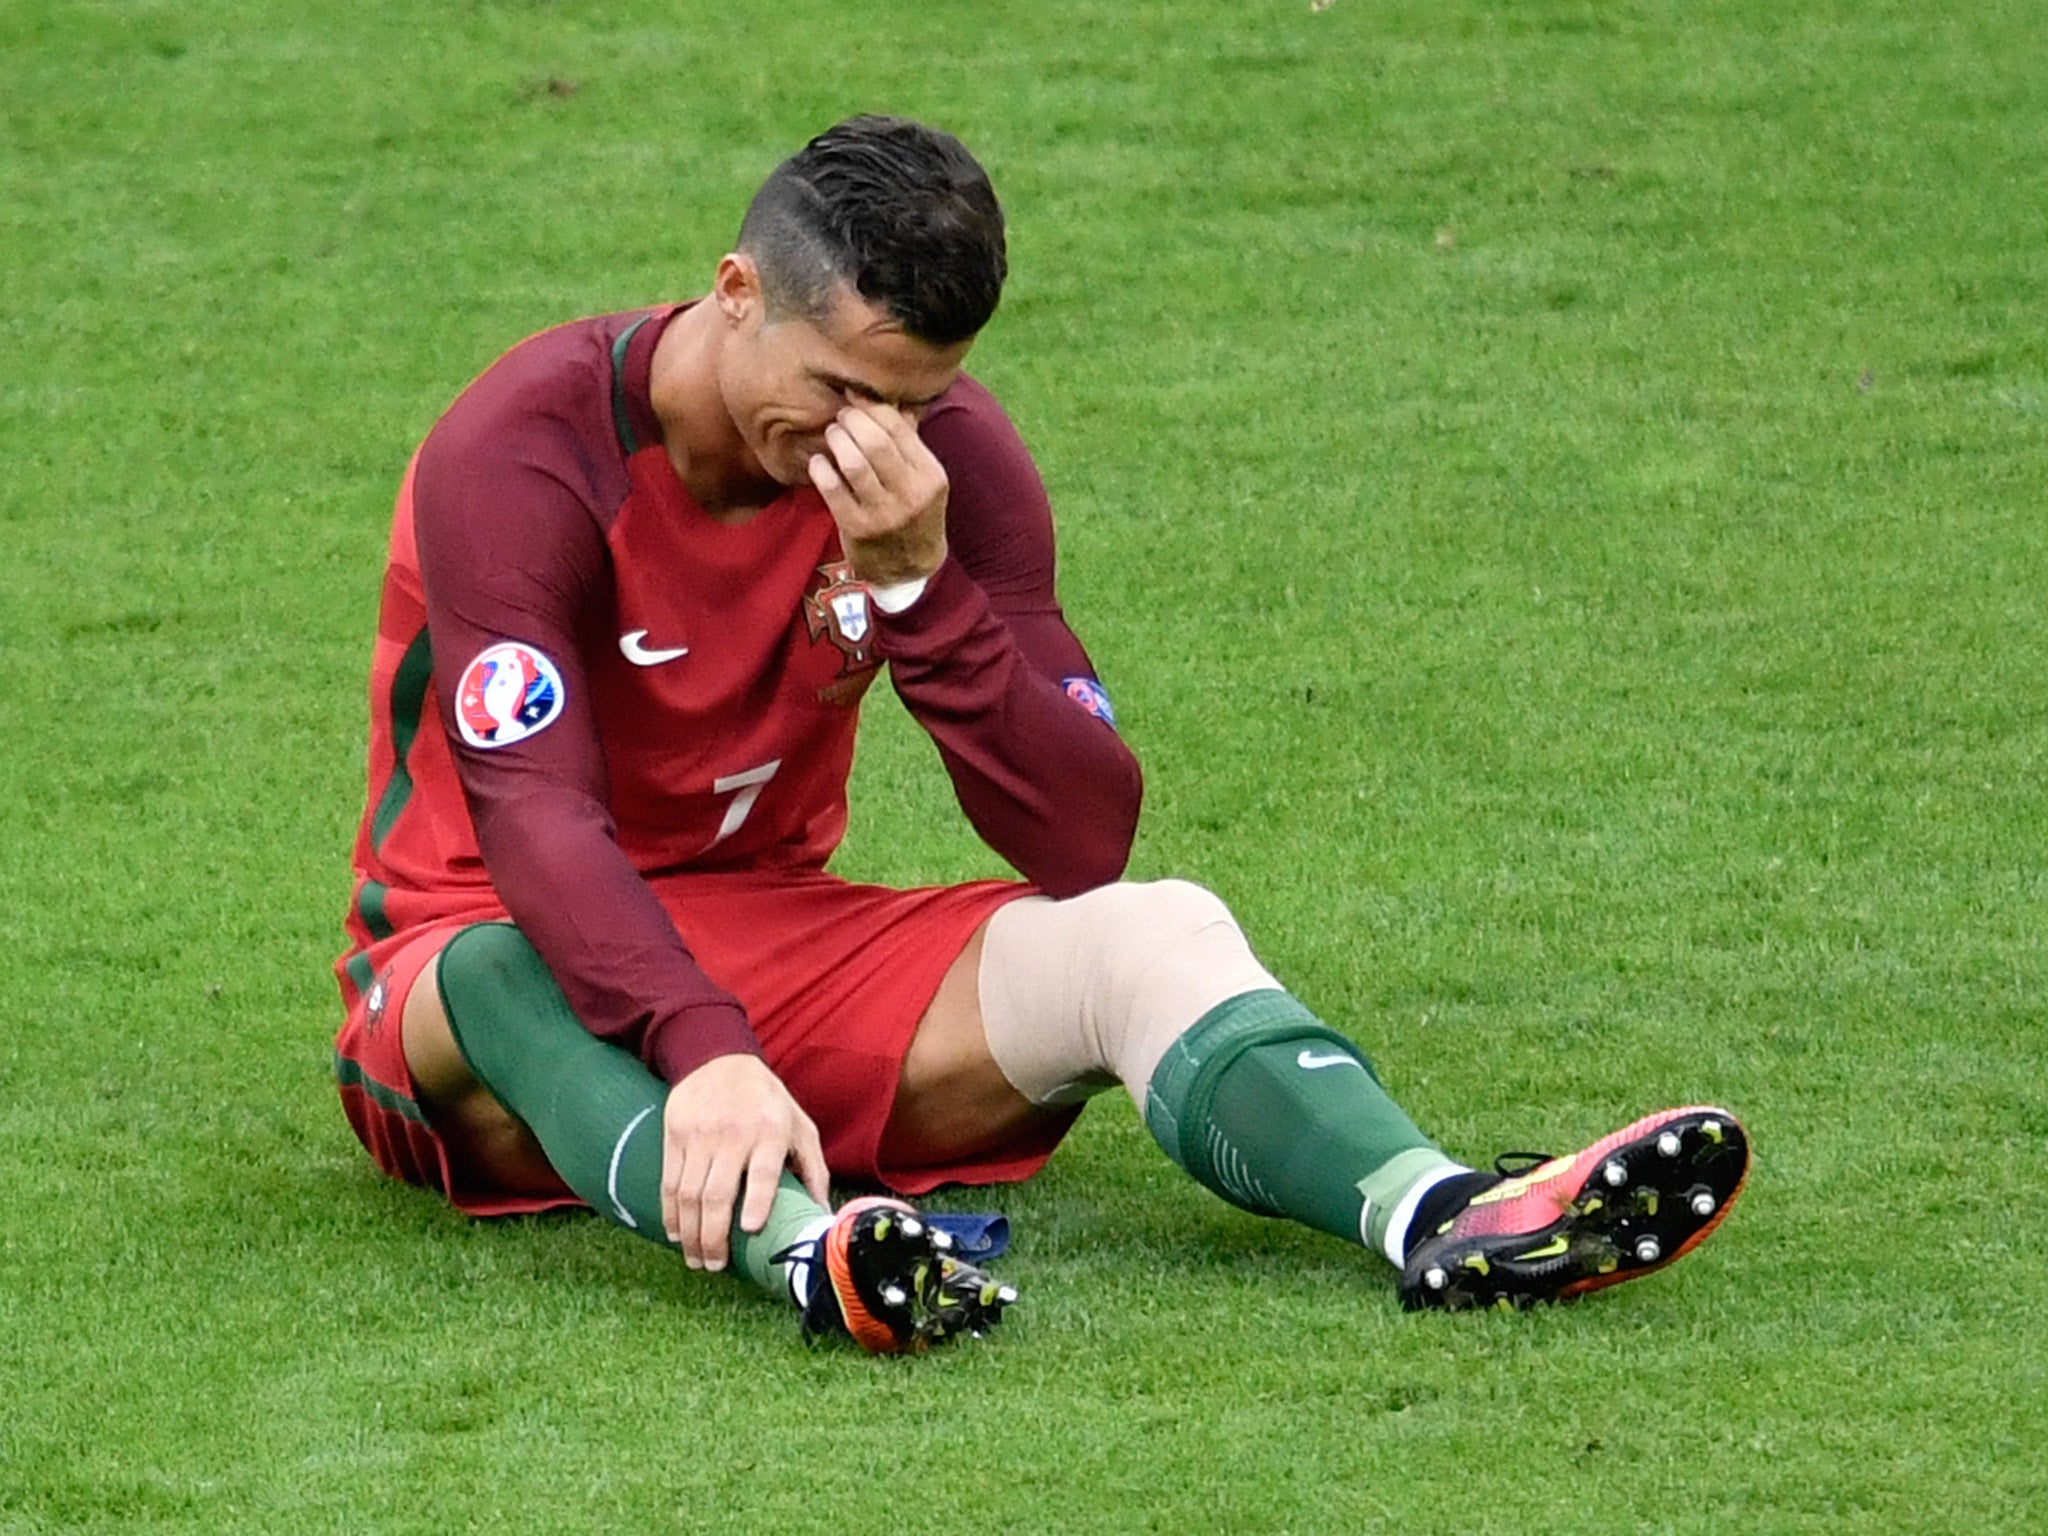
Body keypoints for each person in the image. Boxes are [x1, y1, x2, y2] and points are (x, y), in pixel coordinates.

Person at [332, 115, 1750, 1353]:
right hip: (464, 991)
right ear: (736, 289)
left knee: (1152, 926)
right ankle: (811, 1255)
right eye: (836, 387)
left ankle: (1442, 1214)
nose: (870, 438)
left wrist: (914, 587)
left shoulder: (944, 473)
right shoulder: (521, 453)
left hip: (763, 943)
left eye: (914, 401)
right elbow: (535, 825)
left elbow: (1081, 836)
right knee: (507, 968)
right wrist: (704, 1048)